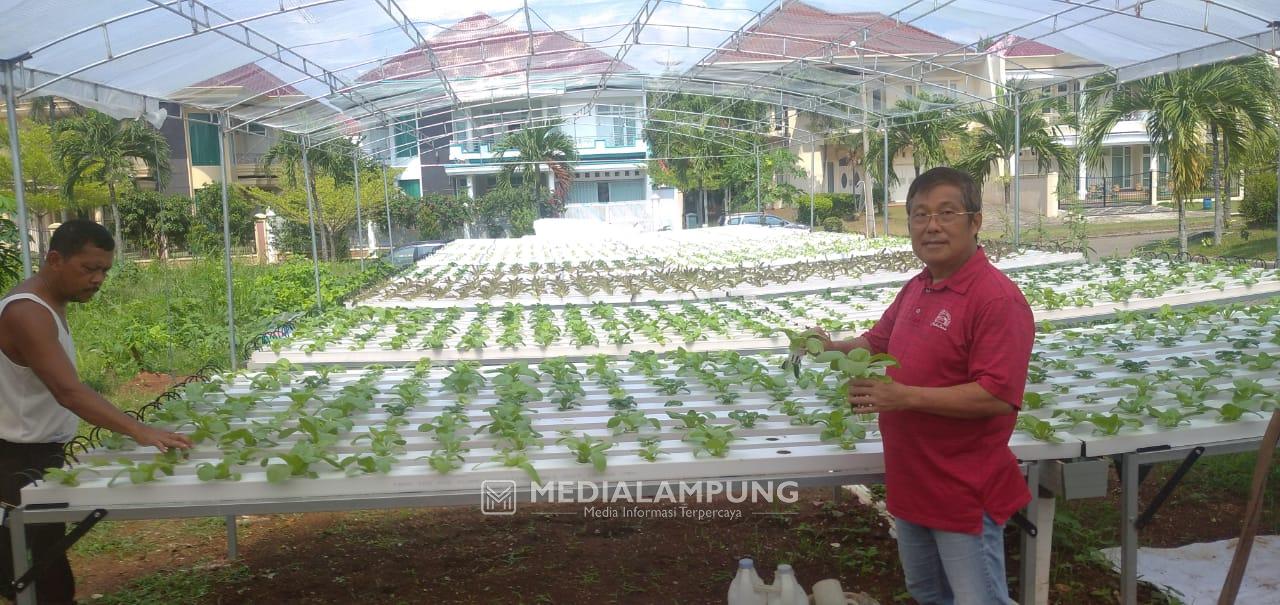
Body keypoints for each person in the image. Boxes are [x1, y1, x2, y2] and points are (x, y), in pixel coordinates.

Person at [815, 167, 1033, 604]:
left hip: (962, 490)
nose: (931, 226)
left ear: (975, 221)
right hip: (913, 482)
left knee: (979, 600)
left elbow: (995, 395)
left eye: (946, 212)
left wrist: (903, 396)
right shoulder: (919, 287)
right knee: (929, 594)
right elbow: (876, 342)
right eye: (919, 214)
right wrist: (830, 347)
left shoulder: (996, 299)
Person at [1, 220, 192, 604]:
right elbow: (68, 391)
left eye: (104, 270)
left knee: (44, 566)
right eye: (89, 268)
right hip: (13, 460)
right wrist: (141, 431)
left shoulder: (50, 305)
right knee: (29, 572)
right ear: (55, 259)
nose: (98, 279)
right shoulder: (28, 313)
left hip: (40, 454)